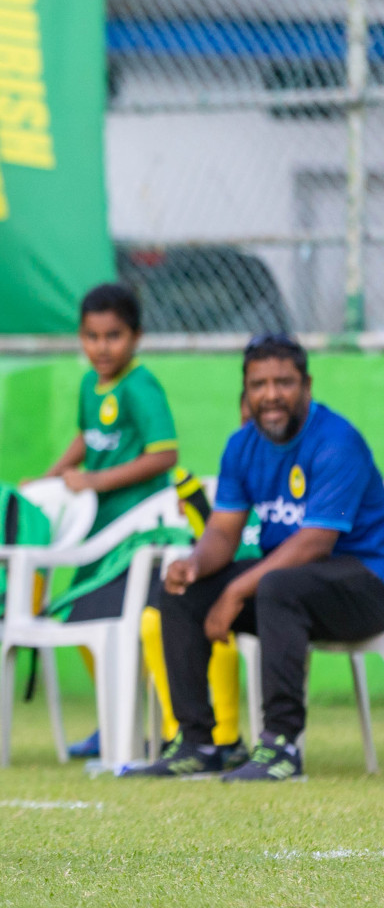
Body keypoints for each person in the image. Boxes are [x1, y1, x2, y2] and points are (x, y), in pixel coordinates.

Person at [135, 333, 384, 781]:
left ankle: (281, 747)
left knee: (275, 585)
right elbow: (223, 532)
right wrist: (194, 563)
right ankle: (201, 743)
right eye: (259, 384)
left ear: (307, 384)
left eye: (284, 382)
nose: (271, 395)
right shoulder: (242, 444)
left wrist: (235, 591)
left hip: (366, 585)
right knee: (180, 590)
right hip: (291, 588)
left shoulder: (336, 441)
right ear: (246, 390)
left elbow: (315, 544)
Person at [40, 283, 180, 759]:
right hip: (97, 536)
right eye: (91, 336)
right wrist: (52, 476)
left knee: (145, 626)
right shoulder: (88, 385)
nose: (101, 347)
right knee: (78, 612)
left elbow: (164, 455)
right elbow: (87, 437)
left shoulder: (141, 386)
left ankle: (171, 725)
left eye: (113, 335)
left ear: (136, 336)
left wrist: (97, 483)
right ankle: (113, 716)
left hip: (139, 537)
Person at [132, 394, 256, 775]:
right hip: (231, 578)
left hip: (277, 583)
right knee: (163, 610)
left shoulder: (309, 461)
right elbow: (219, 537)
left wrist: (233, 591)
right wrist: (197, 544)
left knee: (218, 618)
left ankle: (228, 739)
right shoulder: (238, 465)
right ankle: (183, 737)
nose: (260, 425)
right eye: (250, 416)